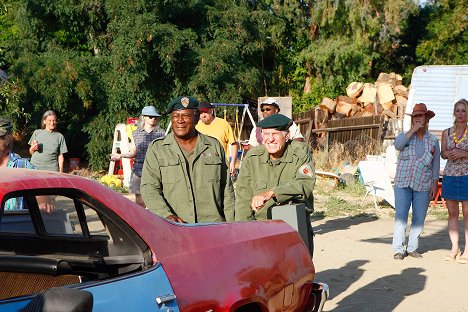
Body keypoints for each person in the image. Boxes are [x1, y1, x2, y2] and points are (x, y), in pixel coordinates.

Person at [140, 96, 235, 223]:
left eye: (185, 116)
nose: (180, 121)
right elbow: (149, 188)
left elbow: (227, 190)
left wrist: (232, 226)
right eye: (175, 116)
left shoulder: (214, 146)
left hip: (212, 227)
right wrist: (166, 215)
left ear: (196, 118)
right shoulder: (157, 149)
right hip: (175, 228)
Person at [235, 114, 315, 221]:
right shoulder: (252, 157)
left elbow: (304, 184)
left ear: (286, 136)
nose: (270, 139)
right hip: (262, 224)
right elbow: (243, 198)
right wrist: (244, 229)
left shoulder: (300, 153)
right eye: (266, 134)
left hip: (293, 222)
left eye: (275, 134)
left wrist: (271, 193)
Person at [392, 103, 440, 260]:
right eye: (415, 117)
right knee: (401, 216)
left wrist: (434, 184)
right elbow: (397, 145)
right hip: (402, 183)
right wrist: (412, 130)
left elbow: (436, 164)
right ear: (412, 120)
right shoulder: (405, 136)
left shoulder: (433, 141)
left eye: (421, 116)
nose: (418, 119)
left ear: (426, 118)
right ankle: (399, 249)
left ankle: (412, 247)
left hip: (423, 184)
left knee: (419, 218)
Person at [111, 106, 165, 207]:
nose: (153, 118)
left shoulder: (161, 133)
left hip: (156, 170)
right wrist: (121, 155)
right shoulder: (136, 134)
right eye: (150, 116)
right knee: (140, 202)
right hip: (139, 170)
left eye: (155, 117)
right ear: (144, 117)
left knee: (156, 199)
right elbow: (133, 152)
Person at [0, 118, 54, 213]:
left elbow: (41, 193)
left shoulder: (23, 167)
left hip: (13, 226)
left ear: (8, 138)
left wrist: (44, 203)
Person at [441, 99, 468, 263]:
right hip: (450, 175)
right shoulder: (447, 132)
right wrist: (448, 154)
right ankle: (454, 248)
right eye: (458, 110)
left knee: (467, 214)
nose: (460, 113)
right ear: (453, 112)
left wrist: (463, 154)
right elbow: (443, 152)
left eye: (463, 110)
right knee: (452, 214)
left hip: (466, 175)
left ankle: (467, 250)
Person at [195, 101, 238, 176]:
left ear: (211, 111)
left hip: (221, 166)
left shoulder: (223, 124)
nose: (203, 115)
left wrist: (232, 163)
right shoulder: (196, 126)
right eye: (201, 113)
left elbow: (233, 144)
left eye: (205, 112)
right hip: (202, 167)